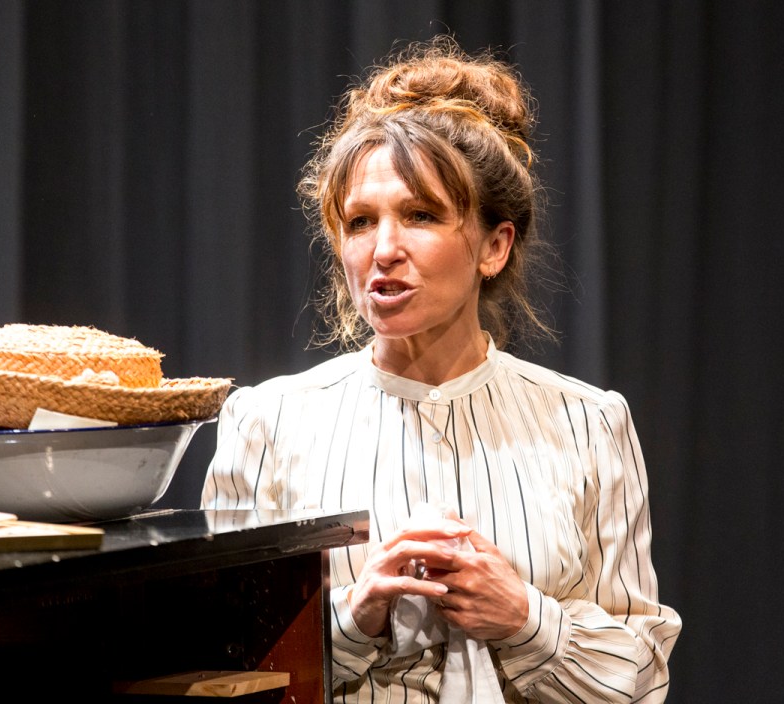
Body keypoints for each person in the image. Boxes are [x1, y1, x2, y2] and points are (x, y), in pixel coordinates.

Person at [202, 35, 681, 702]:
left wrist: (525, 619)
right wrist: (352, 619)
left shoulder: (589, 423)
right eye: (360, 222)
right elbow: (219, 666)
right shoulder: (266, 424)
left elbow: (640, 677)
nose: (384, 250)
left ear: (494, 246)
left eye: (420, 215)